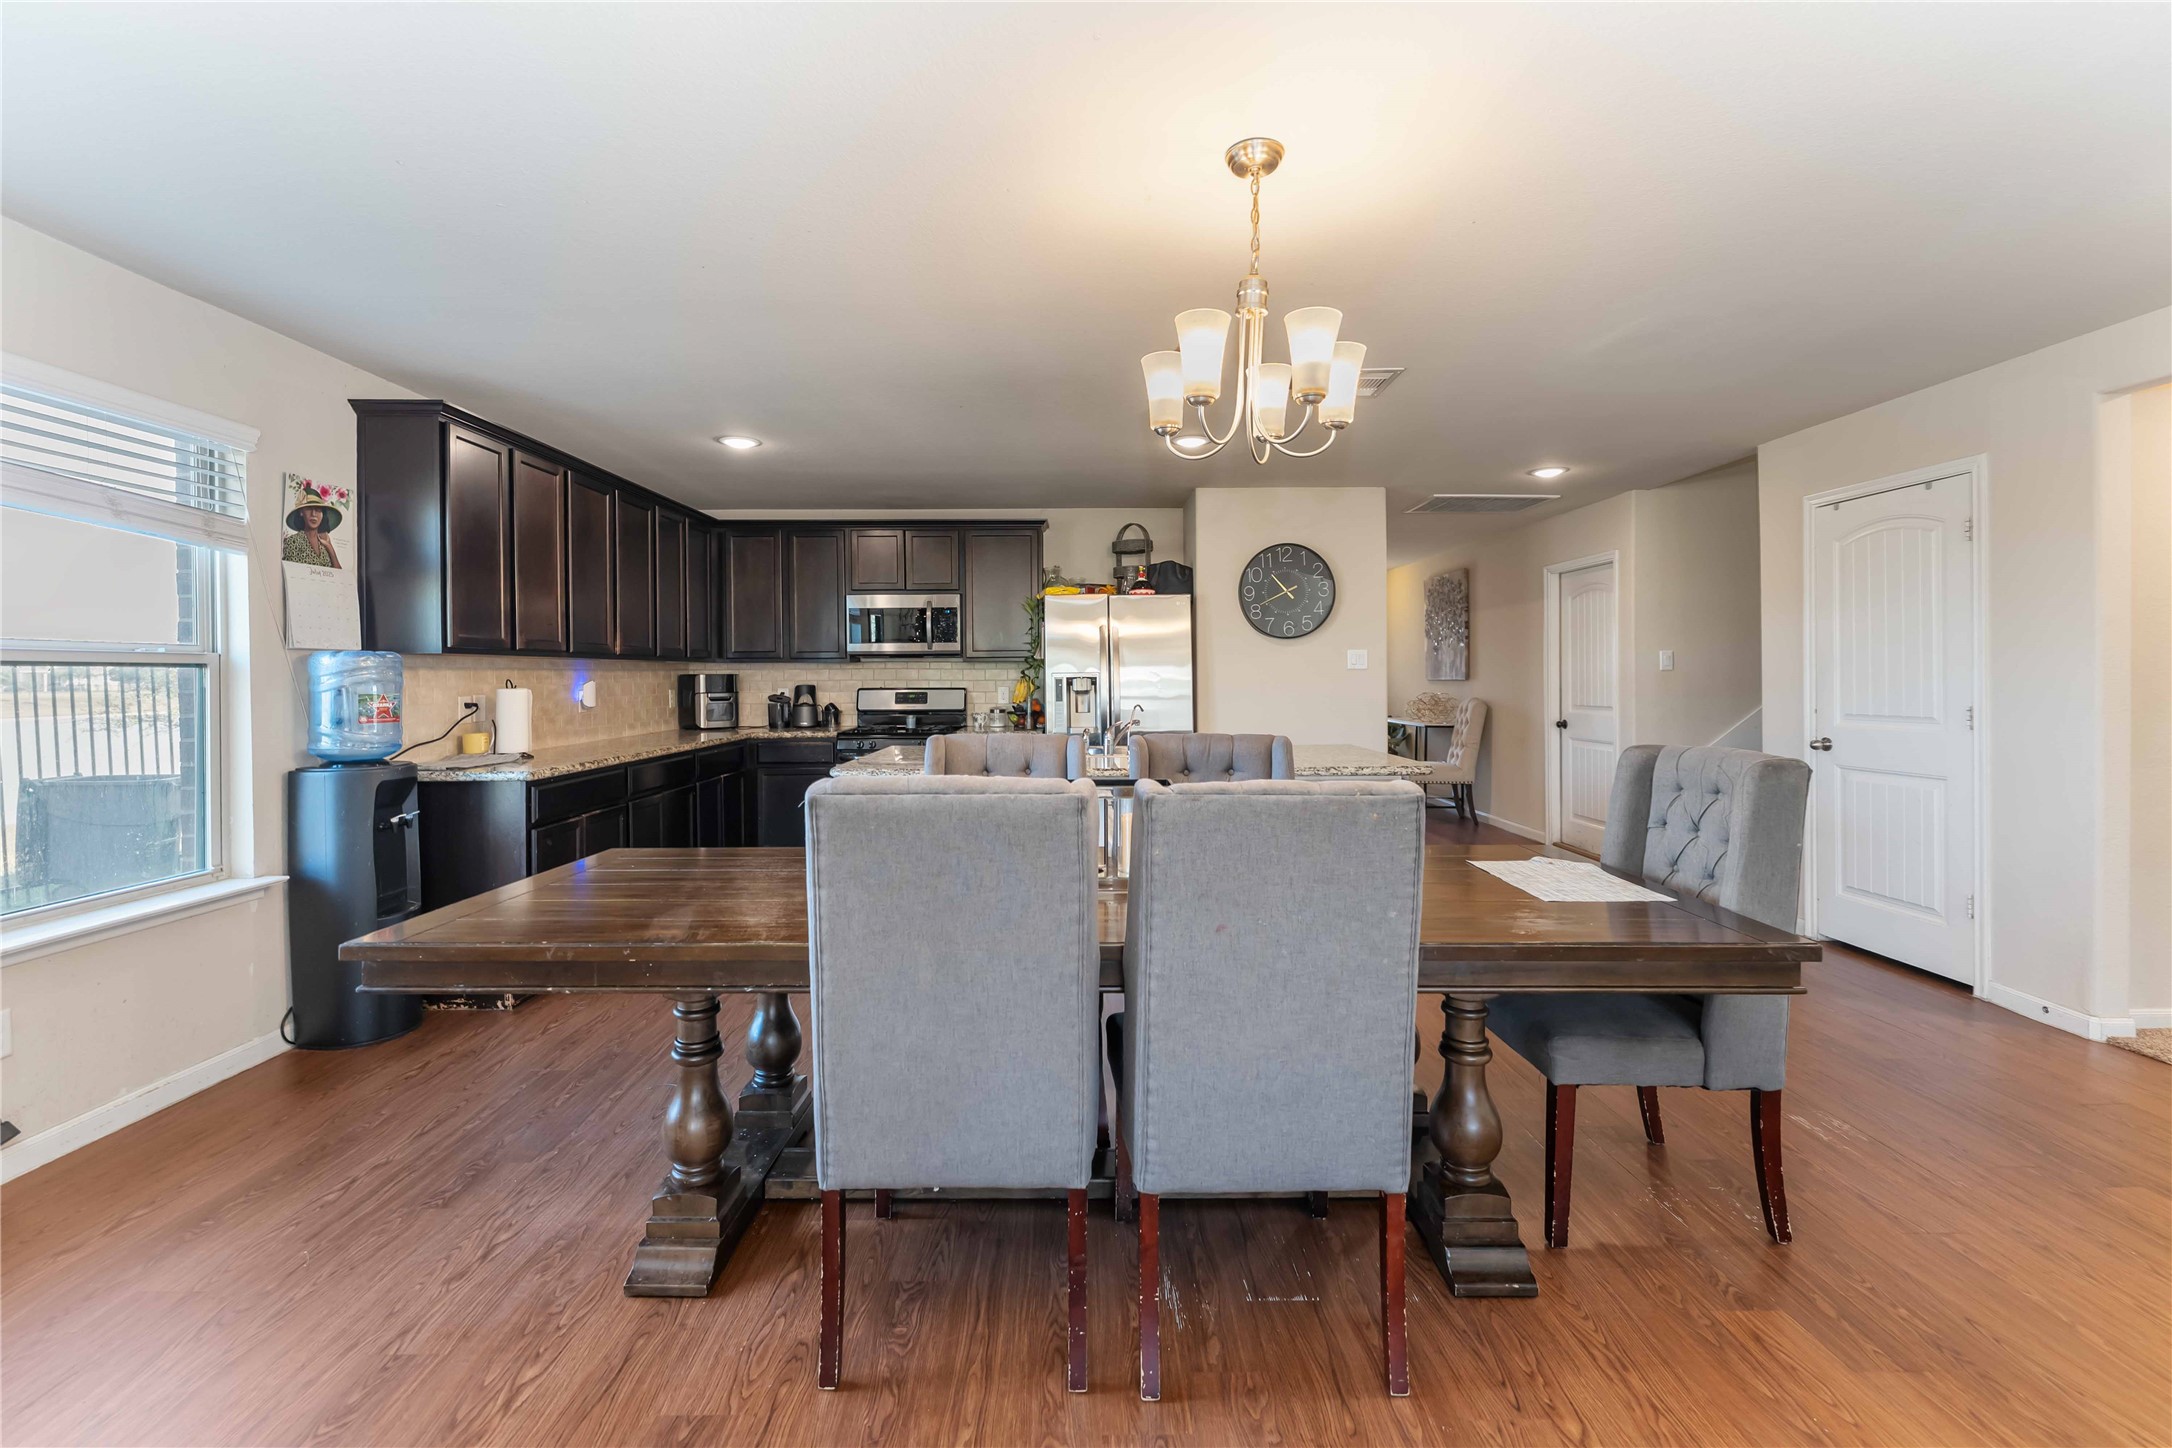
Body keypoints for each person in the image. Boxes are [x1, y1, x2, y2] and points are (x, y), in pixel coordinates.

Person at [282, 476, 348, 568]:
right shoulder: (292, 541)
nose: (313, 514)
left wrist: (330, 547)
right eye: (309, 509)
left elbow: (338, 577)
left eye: (318, 510)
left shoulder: (325, 544)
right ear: (301, 512)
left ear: (322, 514)